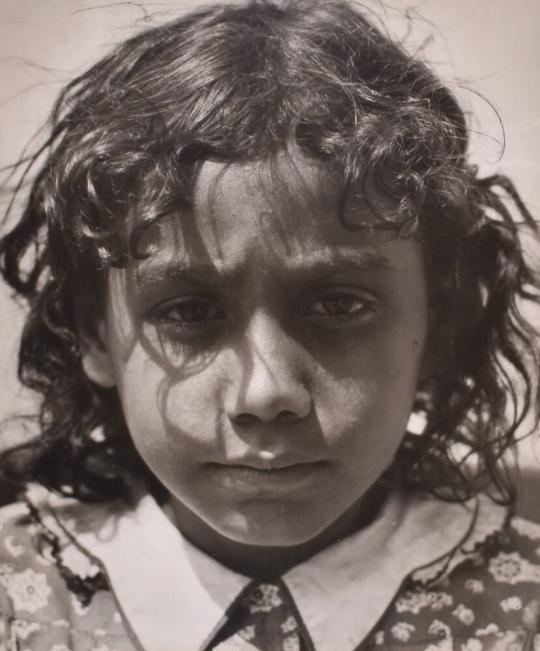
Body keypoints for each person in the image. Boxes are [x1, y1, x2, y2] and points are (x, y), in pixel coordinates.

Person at [0, 0, 539, 649]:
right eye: (189, 311)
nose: (267, 393)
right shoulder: (21, 600)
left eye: (339, 305)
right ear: (93, 333)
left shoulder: (520, 610)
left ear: (441, 319)